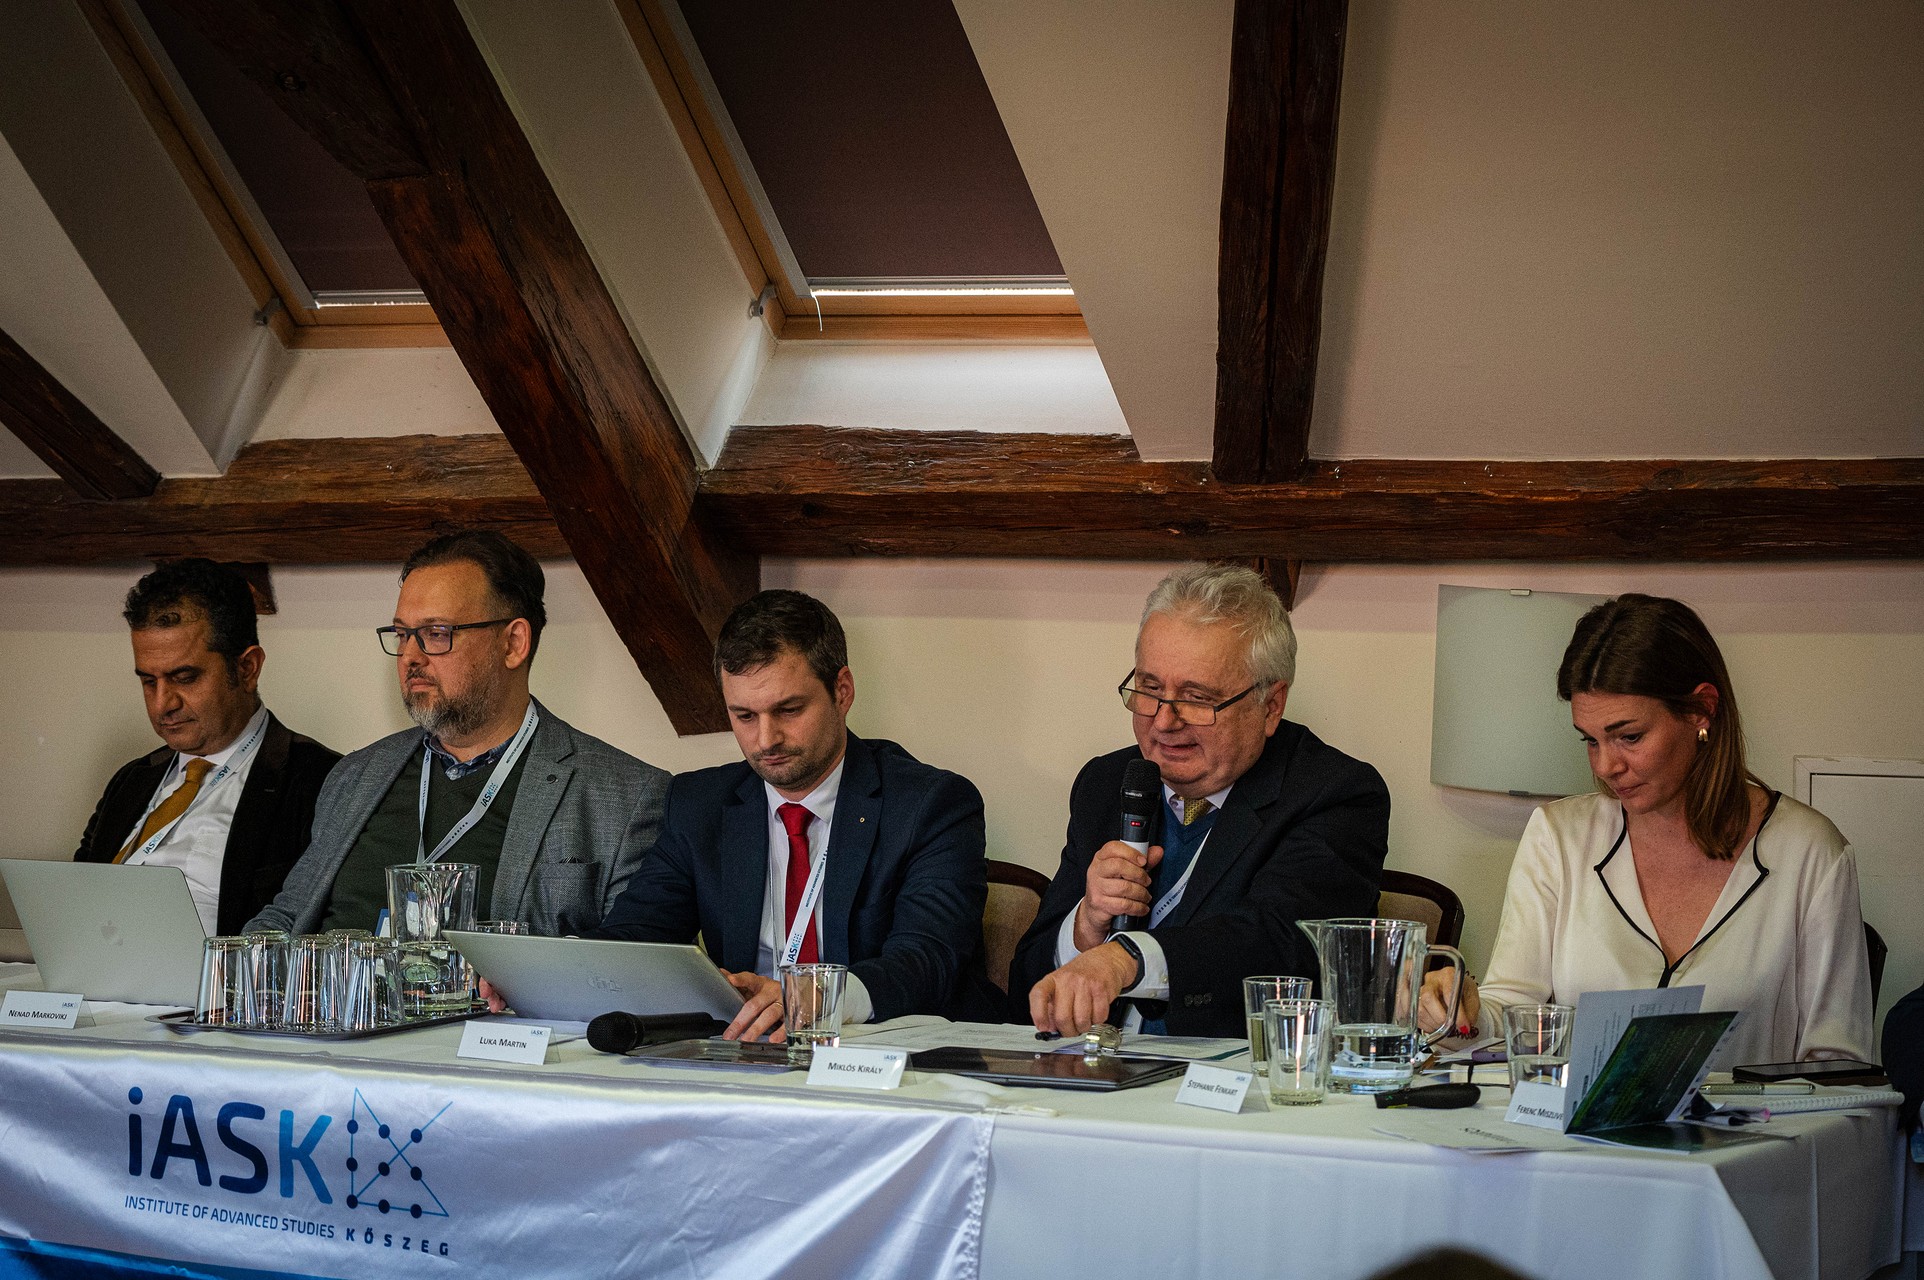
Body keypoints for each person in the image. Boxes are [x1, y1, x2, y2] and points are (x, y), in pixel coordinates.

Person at [1417, 594, 1874, 1066]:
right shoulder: (1559, 837)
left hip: (1747, 1117)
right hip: (1580, 1118)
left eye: (1629, 737)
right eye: (1590, 740)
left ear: (1702, 710)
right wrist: (1460, 1011)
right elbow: (1512, 1012)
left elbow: (1839, 1066)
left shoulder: (1810, 852)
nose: (1606, 766)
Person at [1010, 563, 1390, 1039]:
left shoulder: (1335, 793)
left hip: (1232, 1075)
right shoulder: (1108, 782)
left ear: (1270, 706)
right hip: (1095, 1069)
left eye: (1196, 698)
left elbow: (1274, 943)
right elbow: (1025, 990)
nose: (1164, 722)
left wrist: (1125, 958)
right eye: (1150, 689)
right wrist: (1086, 928)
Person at [597, 589, 999, 1039]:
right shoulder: (700, 803)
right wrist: (553, 968)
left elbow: (928, 958)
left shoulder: (930, 804)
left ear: (842, 691)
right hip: (752, 1049)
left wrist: (818, 999)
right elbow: (636, 936)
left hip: (884, 1049)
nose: (766, 739)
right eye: (744, 716)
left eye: (788, 710)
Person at [246, 531, 666, 936]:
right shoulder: (354, 776)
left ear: (513, 643)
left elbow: (625, 964)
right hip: (338, 987)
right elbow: (286, 918)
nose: (410, 656)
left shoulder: (623, 796)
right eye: (402, 634)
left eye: (436, 633)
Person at [75, 559, 340, 934]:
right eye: (148, 681)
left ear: (247, 668)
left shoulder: (320, 781)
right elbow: (75, 897)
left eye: (184, 678)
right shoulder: (131, 780)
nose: (162, 704)